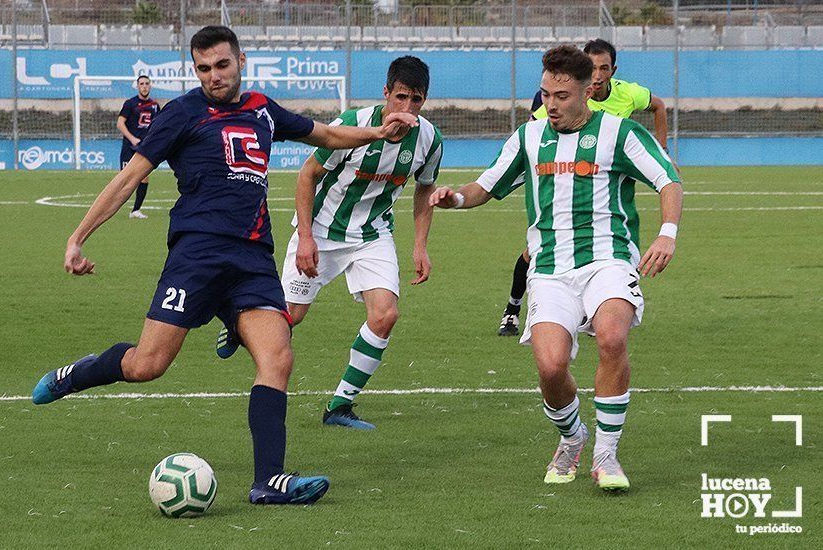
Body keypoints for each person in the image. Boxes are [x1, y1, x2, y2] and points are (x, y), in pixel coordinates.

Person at [30, 25, 417, 506]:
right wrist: (77, 237)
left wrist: (377, 131)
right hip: (197, 256)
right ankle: (79, 374)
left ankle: (268, 481)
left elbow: (327, 134)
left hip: (253, 258)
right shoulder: (182, 114)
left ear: (240, 60)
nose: (213, 76)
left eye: (221, 65)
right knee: (148, 365)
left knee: (277, 357)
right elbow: (130, 176)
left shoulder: (262, 108)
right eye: (203, 68)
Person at [430, 45, 682, 491]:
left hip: (608, 259)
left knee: (611, 335)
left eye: (561, 96)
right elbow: (485, 187)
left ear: (588, 92)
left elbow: (668, 179)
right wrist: (455, 198)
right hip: (548, 267)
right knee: (550, 367)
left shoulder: (619, 133)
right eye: (545, 94)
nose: (551, 104)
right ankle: (572, 437)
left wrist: (667, 233)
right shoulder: (528, 137)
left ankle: (607, 455)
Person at [217, 56, 442, 431]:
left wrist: (420, 245)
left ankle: (340, 405)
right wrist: (306, 237)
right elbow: (307, 176)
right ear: (386, 93)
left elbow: (425, 188)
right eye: (400, 97)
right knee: (290, 319)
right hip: (321, 230)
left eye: (416, 100)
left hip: (372, 234)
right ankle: (236, 320)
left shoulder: (429, 140)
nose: (406, 108)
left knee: (385, 314)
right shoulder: (352, 126)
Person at [499, 38, 670, 336]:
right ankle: (513, 308)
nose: (599, 73)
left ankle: (598, 309)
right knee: (532, 252)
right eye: (593, 67)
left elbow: (658, 106)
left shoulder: (628, 94)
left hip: (605, 185)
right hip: (561, 190)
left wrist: (662, 151)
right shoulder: (560, 101)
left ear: (613, 70)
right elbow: (536, 135)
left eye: (605, 68)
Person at [117, 75, 160, 219]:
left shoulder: (155, 106)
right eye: (142, 83)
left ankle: (135, 210)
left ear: (150, 86)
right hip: (129, 147)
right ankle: (112, 206)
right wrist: (132, 139)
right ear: (137, 86)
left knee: (144, 177)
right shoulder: (130, 104)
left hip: (144, 148)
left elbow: (158, 125)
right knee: (125, 179)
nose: (145, 86)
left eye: (147, 83)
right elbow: (120, 123)